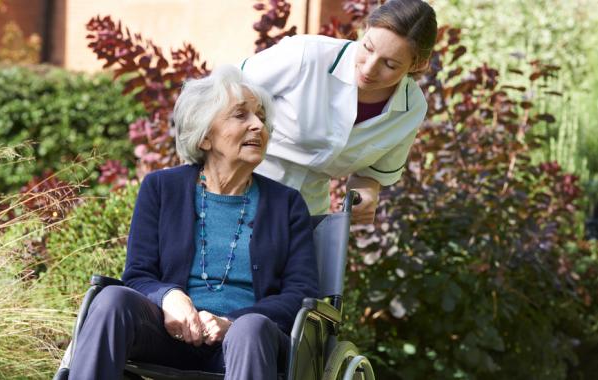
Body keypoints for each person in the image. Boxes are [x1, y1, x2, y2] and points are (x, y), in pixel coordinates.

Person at [67, 65, 319, 380]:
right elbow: (138, 275)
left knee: (250, 329)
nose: (258, 125)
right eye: (241, 116)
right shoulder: (161, 188)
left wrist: (233, 321)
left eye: (262, 118)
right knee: (111, 300)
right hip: (166, 333)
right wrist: (168, 297)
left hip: (246, 345)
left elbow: (301, 293)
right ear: (204, 138)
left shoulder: (287, 204)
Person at [240, 0, 437, 224]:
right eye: (368, 48)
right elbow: (221, 96)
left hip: (306, 215)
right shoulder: (307, 55)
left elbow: (371, 175)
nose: (369, 68)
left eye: (390, 65)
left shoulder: (411, 108)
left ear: (417, 65)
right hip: (239, 192)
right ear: (366, 29)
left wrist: (366, 194)